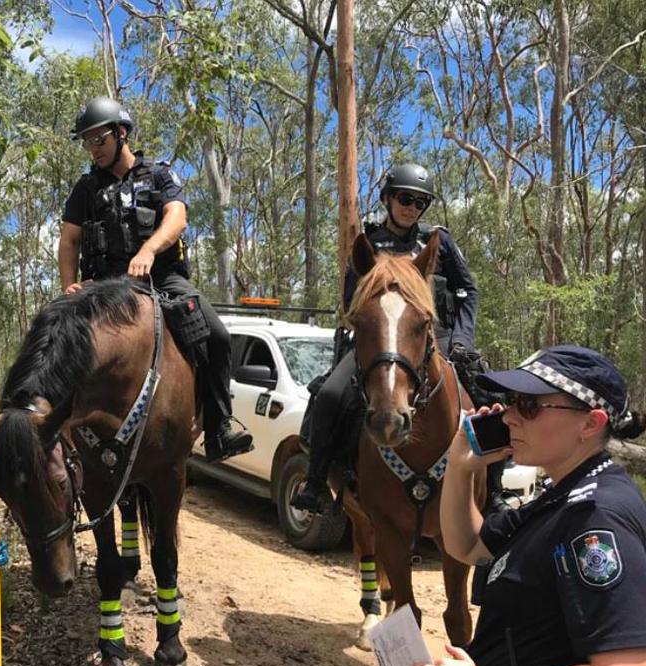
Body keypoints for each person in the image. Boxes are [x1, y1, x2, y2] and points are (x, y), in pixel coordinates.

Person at [412, 345, 646, 666]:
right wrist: (461, 467)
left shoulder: (596, 518)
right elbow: (466, 544)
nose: (507, 417)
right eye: (512, 403)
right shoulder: (559, 494)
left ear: (590, 424)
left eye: (530, 406)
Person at [57, 96, 252, 462]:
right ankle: (53, 436)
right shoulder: (85, 190)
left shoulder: (160, 174)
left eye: (99, 139)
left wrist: (148, 250)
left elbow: (176, 219)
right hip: (102, 287)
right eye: (87, 142)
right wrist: (68, 283)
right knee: (54, 336)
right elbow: (69, 241)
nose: (92, 149)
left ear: (122, 133)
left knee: (219, 336)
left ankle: (219, 428)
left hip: (161, 280)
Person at [292, 162, 479, 512]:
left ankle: (494, 492)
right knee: (331, 395)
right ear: (388, 198)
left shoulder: (438, 241)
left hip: (434, 339)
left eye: (420, 202)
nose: (411, 207)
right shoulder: (369, 240)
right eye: (405, 198)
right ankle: (316, 482)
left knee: (487, 397)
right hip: (376, 341)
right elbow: (350, 297)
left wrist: (462, 341)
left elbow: (467, 290)